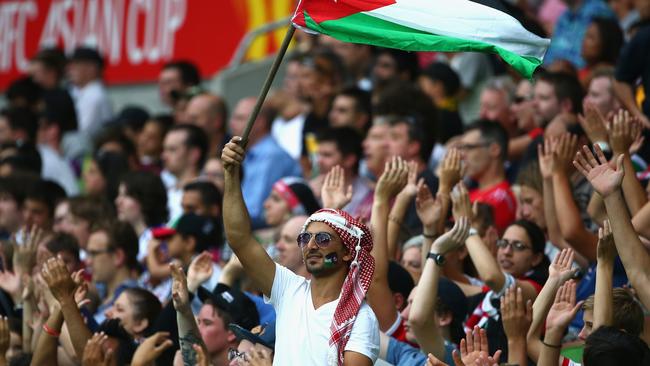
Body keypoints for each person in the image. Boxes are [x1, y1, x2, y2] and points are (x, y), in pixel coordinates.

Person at [222, 136, 380, 365]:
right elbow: (239, 239)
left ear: (347, 252)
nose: (312, 246)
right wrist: (231, 175)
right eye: (306, 238)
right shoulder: (289, 290)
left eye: (324, 239)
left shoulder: (360, 319)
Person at [229, 97, 302, 229]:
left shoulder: (271, 155)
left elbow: (253, 211)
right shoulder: (250, 152)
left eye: (239, 118)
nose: (231, 124)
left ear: (260, 122)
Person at [459, 121, 517, 233]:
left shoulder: (501, 198)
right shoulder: (469, 193)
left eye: (469, 148)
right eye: (462, 148)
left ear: (494, 150)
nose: (462, 155)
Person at [87, 221, 140, 324]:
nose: (88, 261)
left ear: (118, 257)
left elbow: (90, 339)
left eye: (94, 254)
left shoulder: (131, 302)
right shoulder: (99, 293)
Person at [115, 171, 169, 262]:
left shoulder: (161, 239)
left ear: (145, 199)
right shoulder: (125, 240)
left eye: (126, 195)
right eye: (119, 195)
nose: (117, 201)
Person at [544, 0, 615, 68]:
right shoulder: (565, 15)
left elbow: (589, 59)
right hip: (552, 70)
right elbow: (553, 50)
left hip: (577, 74)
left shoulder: (599, 11)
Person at [161, 124, 209, 222]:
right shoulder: (163, 185)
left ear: (193, 154)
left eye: (172, 150)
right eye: (164, 149)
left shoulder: (206, 193)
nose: (163, 156)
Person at [66, 46, 113, 136]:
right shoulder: (82, 92)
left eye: (76, 64)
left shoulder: (94, 96)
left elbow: (83, 133)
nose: (69, 70)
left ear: (92, 68)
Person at [185, 93, 229, 157]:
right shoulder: (188, 150)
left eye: (194, 119)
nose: (187, 123)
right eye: (187, 118)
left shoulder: (234, 152)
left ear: (216, 122)